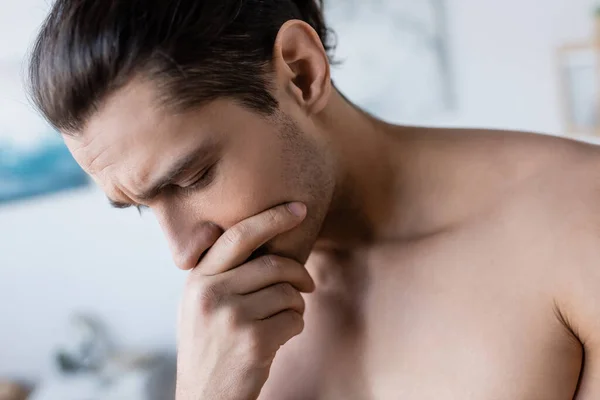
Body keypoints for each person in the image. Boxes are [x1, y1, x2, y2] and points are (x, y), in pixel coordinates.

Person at [28, 0, 600, 398]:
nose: (183, 254)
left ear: (300, 73)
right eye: (140, 207)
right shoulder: (226, 325)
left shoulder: (577, 219)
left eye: (192, 177)